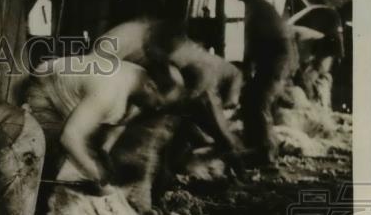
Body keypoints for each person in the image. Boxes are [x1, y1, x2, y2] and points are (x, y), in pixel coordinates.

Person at [22, 49, 188, 191]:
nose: (157, 109)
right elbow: (69, 137)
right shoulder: (109, 90)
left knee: (93, 164)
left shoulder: (140, 83)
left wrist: (103, 162)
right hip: (47, 90)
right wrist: (95, 174)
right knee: (57, 162)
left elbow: (115, 130)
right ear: (150, 86)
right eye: (158, 103)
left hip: (79, 101)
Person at [94, 17, 245, 170]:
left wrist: (224, 138)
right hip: (106, 73)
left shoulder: (194, 62)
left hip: (131, 72)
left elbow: (206, 105)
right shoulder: (125, 46)